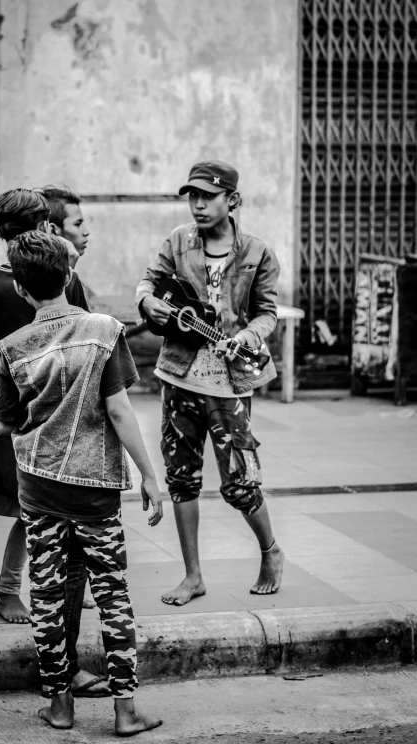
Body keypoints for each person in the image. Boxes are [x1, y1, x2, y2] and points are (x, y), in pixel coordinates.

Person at [0, 230, 163, 735]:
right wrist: (150, 477)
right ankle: (126, 711)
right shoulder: (105, 330)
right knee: (112, 594)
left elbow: (3, 424)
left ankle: (61, 706)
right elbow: (118, 408)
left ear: (21, 291)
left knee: (46, 596)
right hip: (96, 491)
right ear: (70, 275)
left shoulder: (14, 347)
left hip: (40, 489)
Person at [0, 188, 109, 697]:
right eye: (72, 223)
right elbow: (99, 369)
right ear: (48, 230)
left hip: (28, 418)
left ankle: (58, 675)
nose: (80, 231)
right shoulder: (54, 291)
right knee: (53, 532)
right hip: (56, 424)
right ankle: (62, 666)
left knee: (40, 520)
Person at [136, 160, 285, 606]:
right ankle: (193, 575)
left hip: (230, 383)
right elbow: (149, 281)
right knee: (181, 478)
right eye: (192, 196)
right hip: (179, 374)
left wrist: (246, 334)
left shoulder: (257, 252)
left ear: (231, 200)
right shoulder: (178, 241)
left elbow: (268, 311)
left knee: (239, 482)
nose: (198, 204)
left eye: (208, 196)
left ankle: (271, 550)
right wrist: (147, 303)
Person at [34, 186, 89, 270]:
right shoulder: (32, 278)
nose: (86, 232)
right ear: (52, 230)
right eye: (77, 224)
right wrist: (68, 273)